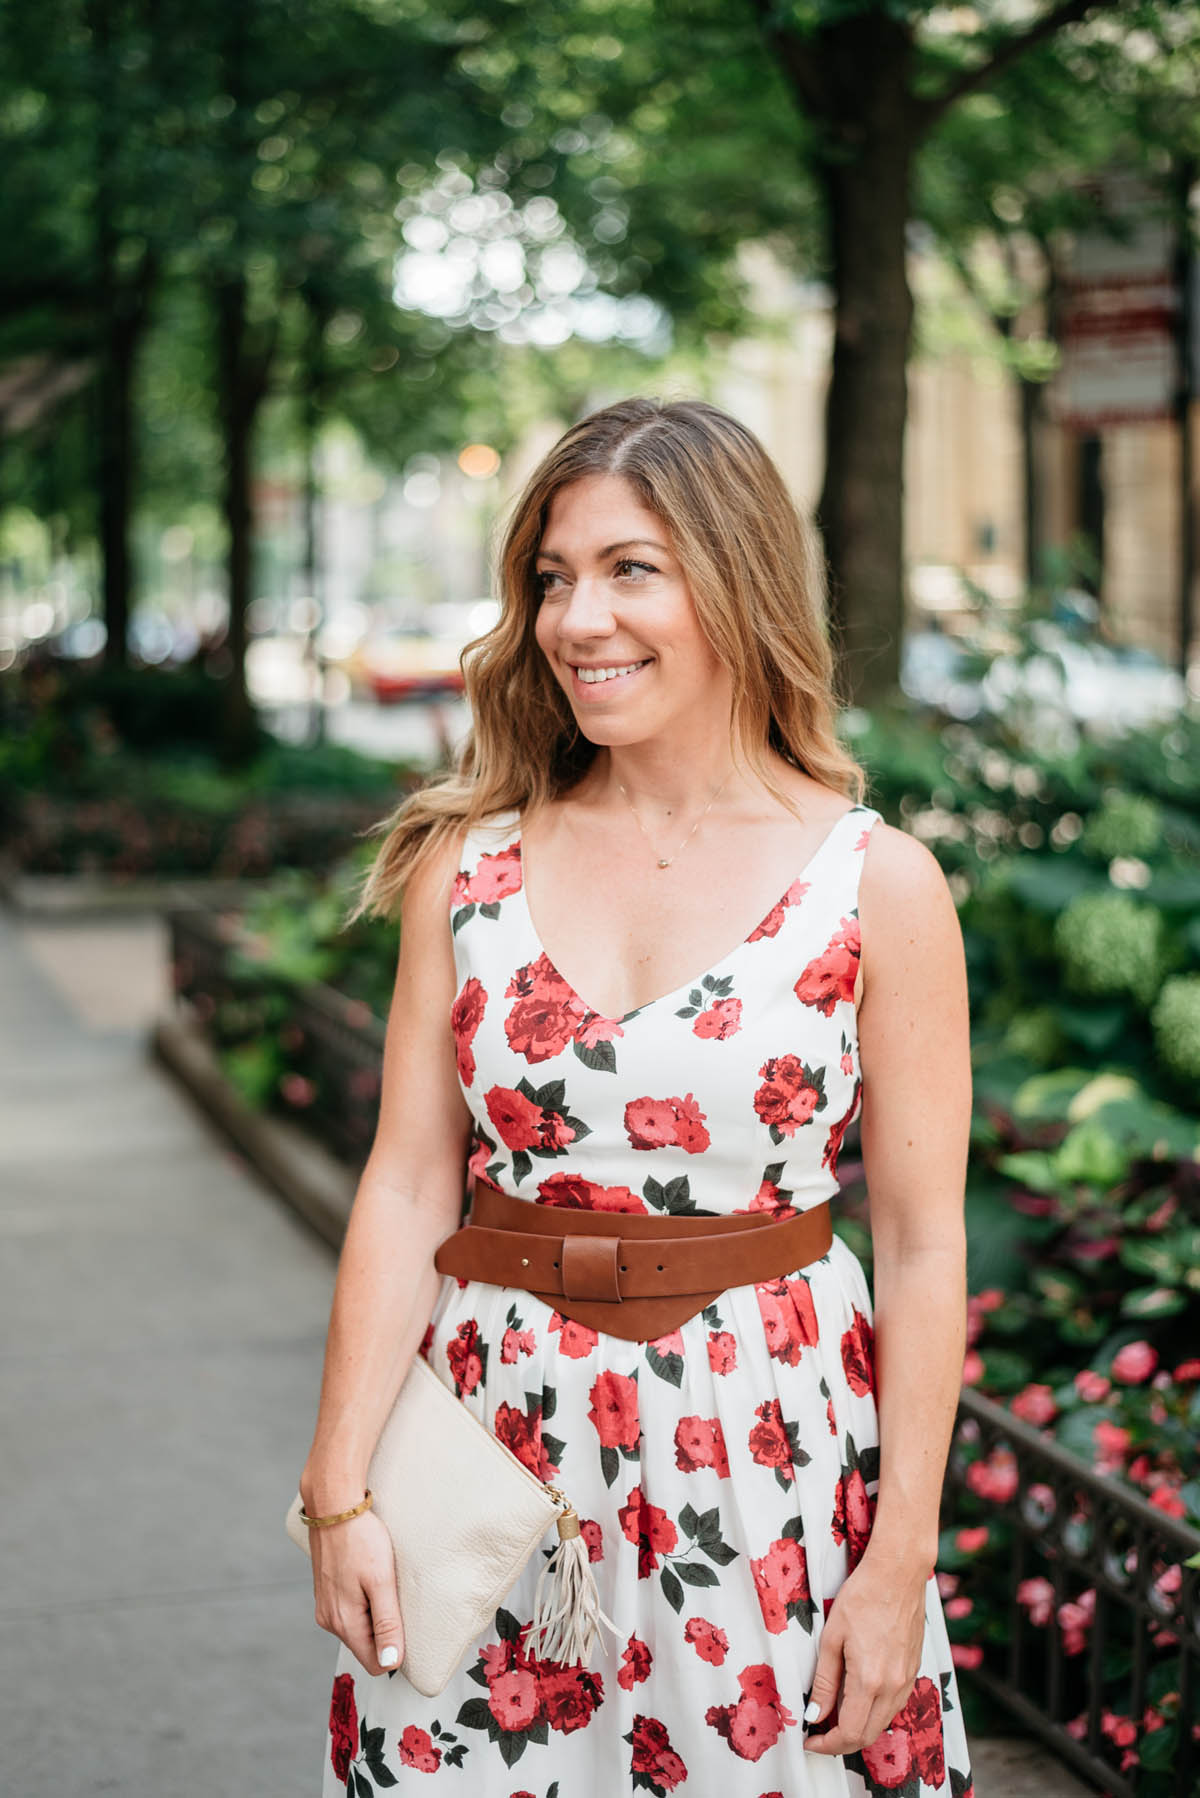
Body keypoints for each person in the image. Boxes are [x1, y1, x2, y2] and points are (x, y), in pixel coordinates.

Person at [299, 396, 975, 1795]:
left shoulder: (877, 884)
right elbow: (410, 1181)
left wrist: (899, 1556)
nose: (576, 617)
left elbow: (918, 1242)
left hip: (769, 1463)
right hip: (494, 1454)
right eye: (553, 577)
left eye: (630, 569)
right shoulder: (467, 866)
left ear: (736, 580)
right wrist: (337, 1492)